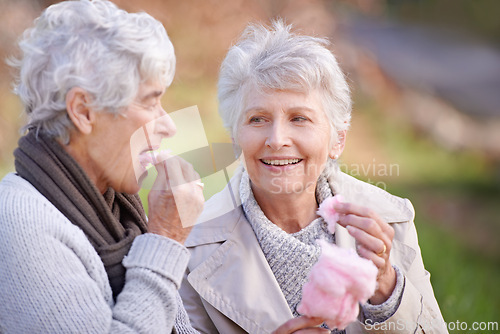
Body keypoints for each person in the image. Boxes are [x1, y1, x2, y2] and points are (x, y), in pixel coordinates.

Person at [179, 21, 449, 333]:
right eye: (257, 119)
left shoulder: (389, 219)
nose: (277, 138)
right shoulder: (191, 244)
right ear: (235, 136)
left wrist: (385, 289)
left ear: (338, 140)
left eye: (299, 118)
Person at [0, 1, 203, 332]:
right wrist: (165, 240)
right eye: (150, 101)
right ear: (83, 111)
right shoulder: (18, 223)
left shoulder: (117, 210)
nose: (168, 125)